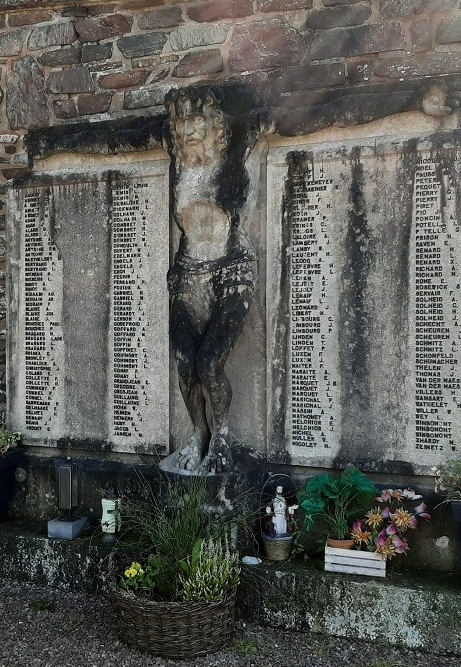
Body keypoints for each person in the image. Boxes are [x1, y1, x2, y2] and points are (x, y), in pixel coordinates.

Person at [163, 89, 256, 473]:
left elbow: (316, 116)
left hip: (232, 271)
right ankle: (199, 432)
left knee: (211, 363)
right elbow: (110, 140)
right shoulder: (178, 164)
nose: (188, 127)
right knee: (185, 363)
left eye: (197, 116)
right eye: (181, 118)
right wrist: (45, 145)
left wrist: (417, 98)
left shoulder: (238, 151)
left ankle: (223, 437)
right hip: (186, 275)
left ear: (216, 124)